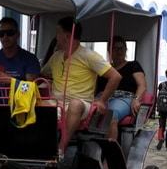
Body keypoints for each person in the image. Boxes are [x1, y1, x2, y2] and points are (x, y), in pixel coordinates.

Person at [41, 17, 121, 146]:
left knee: (75, 104)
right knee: (33, 103)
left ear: (67, 35)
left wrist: (102, 100)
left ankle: (61, 149)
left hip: (81, 104)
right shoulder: (56, 56)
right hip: (56, 102)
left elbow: (115, 77)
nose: (55, 36)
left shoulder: (89, 56)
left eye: (58, 32)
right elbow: (43, 74)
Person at [96, 36, 146, 142]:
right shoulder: (105, 69)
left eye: (121, 48)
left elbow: (142, 85)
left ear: (126, 50)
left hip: (123, 98)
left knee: (110, 115)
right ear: (109, 51)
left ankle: (109, 157)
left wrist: (136, 99)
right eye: (115, 48)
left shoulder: (133, 65)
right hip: (102, 98)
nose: (119, 52)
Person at [0, 17, 41, 99]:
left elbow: (31, 89)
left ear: (18, 34)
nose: (5, 37)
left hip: (21, 107)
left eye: (9, 33)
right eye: (1, 34)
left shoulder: (30, 59)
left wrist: (11, 81)